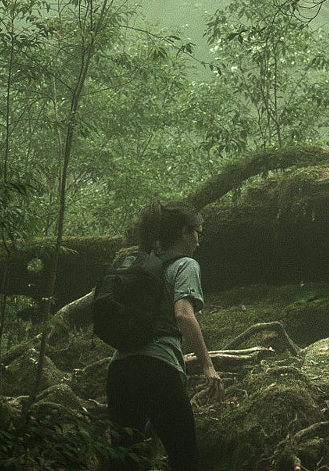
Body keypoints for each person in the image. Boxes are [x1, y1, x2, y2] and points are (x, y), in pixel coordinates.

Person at [105, 200, 223, 471]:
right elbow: (183, 314)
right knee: (184, 457)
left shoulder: (141, 266)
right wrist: (207, 365)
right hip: (158, 369)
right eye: (198, 233)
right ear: (184, 232)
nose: (198, 241)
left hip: (120, 369)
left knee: (125, 461)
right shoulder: (186, 265)